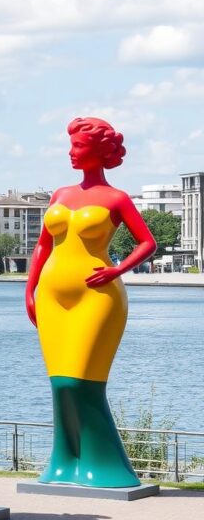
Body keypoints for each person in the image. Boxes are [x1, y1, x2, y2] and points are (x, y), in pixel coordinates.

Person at [26, 117, 157, 488]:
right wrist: (30, 288)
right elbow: (43, 246)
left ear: (100, 152)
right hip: (52, 296)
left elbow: (147, 243)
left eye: (79, 146)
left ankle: (107, 467)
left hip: (97, 296)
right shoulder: (59, 194)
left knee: (82, 383)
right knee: (59, 385)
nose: (71, 152)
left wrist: (117, 270)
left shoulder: (117, 199)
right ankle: (63, 463)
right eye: (71, 146)